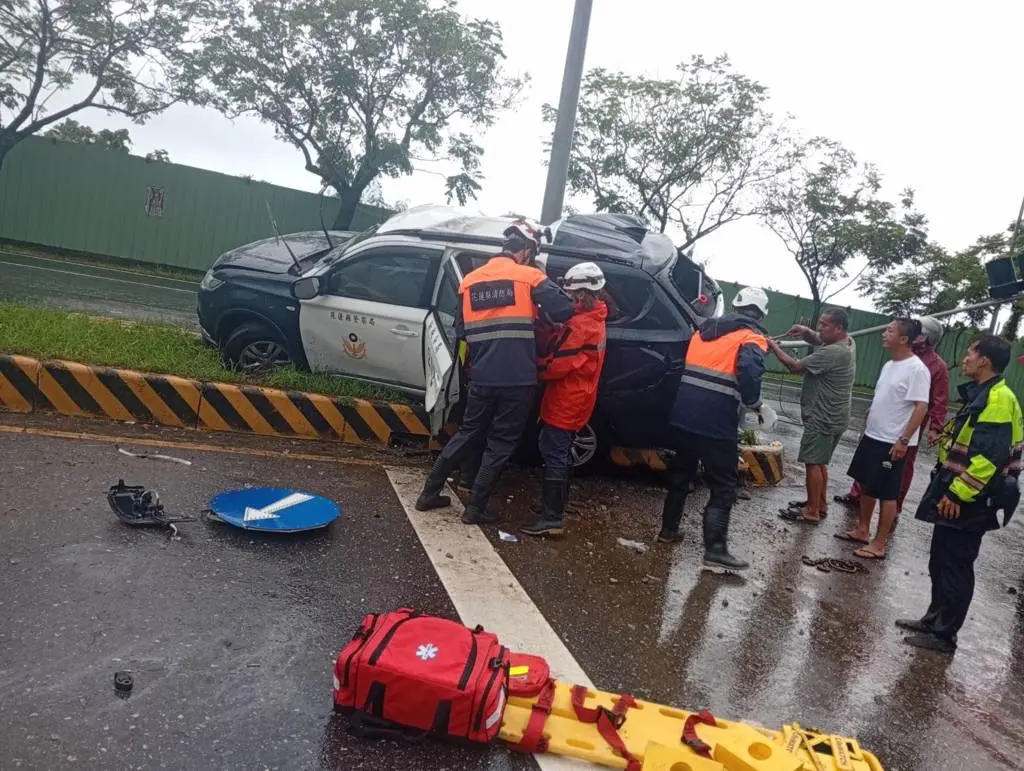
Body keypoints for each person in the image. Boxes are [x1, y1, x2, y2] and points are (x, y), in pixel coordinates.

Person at [415, 220, 574, 523]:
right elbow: (565, 309)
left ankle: (429, 492)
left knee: (467, 432)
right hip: (518, 380)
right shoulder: (529, 277)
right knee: (500, 442)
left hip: (482, 376)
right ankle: (475, 508)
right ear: (526, 252)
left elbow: (461, 330)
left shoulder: (469, 281)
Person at [897, 334, 1022, 653]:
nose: (964, 359)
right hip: (959, 491)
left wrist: (958, 494)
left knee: (955, 564)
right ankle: (933, 619)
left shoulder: (997, 399)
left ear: (985, 361)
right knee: (941, 559)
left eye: (970, 353)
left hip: (971, 500)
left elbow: (989, 458)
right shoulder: (984, 394)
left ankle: (944, 635)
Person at [656, 286, 770, 571]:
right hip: (716, 422)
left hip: (684, 416)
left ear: (737, 306)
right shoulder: (752, 337)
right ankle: (716, 550)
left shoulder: (704, 330)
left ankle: (668, 531)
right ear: (760, 313)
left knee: (681, 475)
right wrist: (755, 403)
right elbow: (750, 373)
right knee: (723, 486)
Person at [521, 262, 608, 537]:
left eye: (570, 294)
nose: (568, 299)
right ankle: (555, 507)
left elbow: (559, 365)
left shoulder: (581, 326)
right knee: (562, 450)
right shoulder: (595, 319)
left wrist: (531, 368)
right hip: (579, 396)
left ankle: (552, 517)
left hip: (566, 398)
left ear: (581, 295)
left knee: (554, 452)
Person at [836, 317, 949, 518]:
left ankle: (893, 506)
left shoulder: (933, 366)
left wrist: (935, 428)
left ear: (925, 337)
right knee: (868, 466)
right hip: (880, 425)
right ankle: (857, 496)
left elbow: (937, 401)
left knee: (900, 470)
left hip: (906, 426)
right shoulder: (897, 359)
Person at [838, 318, 930, 560]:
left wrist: (903, 439)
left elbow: (921, 407)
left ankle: (879, 544)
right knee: (867, 483)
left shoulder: (917, 369)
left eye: (890, 330)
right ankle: (862, 530)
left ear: (904, 339)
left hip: (893, 440)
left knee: (887, 493)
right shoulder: (890, 364)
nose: (884, 333)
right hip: (873, 435)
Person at [768, 308, 856, 524]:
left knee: (812, 463)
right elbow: (817, 338)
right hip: (836, 416)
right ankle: (819, 503)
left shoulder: (834, 353)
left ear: (839, 328)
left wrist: (773, 347)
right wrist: (805, 331)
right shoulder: (848, 342)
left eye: (824, 325)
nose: (819, 329)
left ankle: (812, 511)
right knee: (820, 462)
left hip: (822, 416)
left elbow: (795, 366)